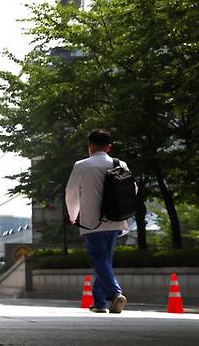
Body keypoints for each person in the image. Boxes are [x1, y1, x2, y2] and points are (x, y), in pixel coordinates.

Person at [65, 129, 135, 314]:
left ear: (90, 146)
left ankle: (114, 294)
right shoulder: (121, 164)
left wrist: (73, 216)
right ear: (109, 147)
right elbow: (132, 189)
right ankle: (99, 303)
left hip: (91, 223)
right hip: (115, 221)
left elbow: (70, 193)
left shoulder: (81, 165)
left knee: (99, 260)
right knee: (103, 261)